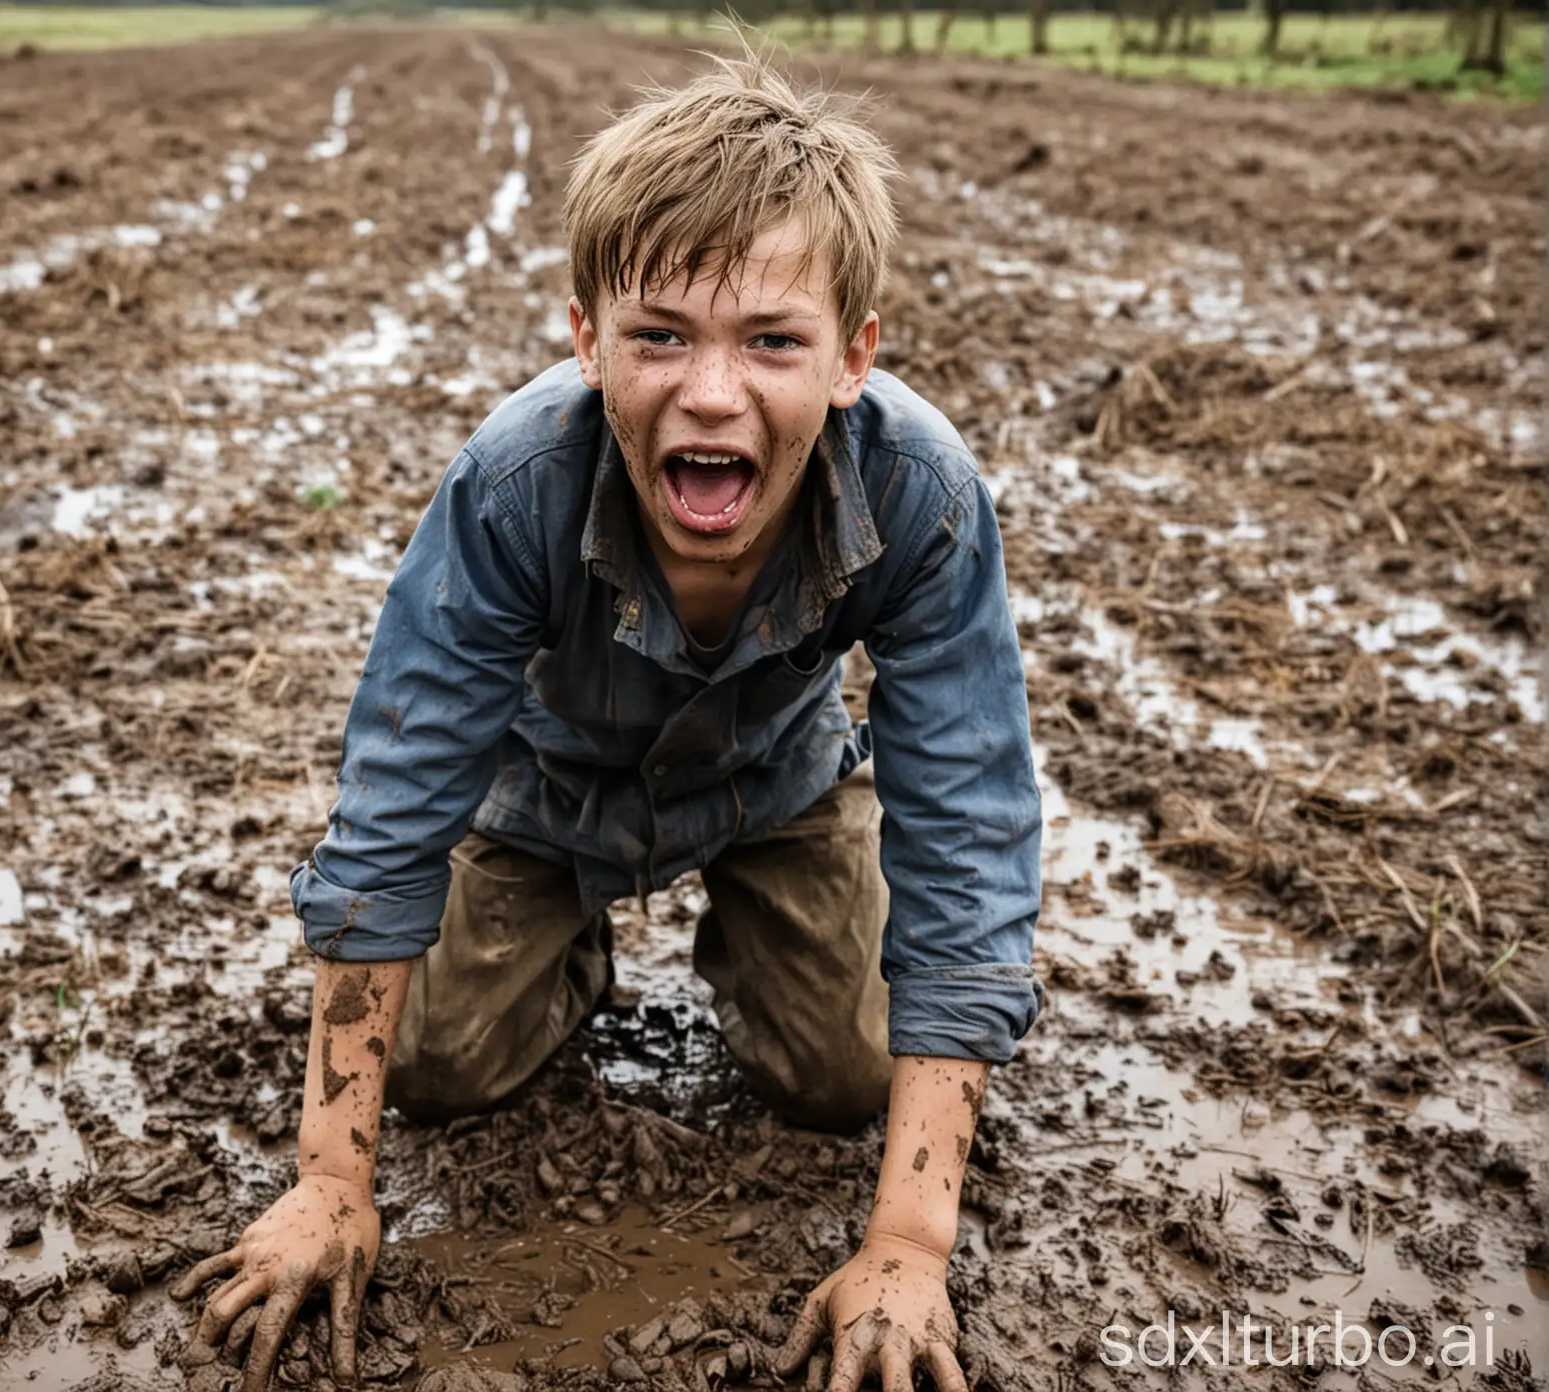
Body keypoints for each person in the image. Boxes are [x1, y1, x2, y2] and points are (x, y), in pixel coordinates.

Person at [170, 50, 1042, 1392]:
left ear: (853, 357)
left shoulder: (922, 497)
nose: (709, 393)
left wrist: (909, 1242)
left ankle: (760, 940)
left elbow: (969, 822)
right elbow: (396, 800)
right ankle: (567, 953)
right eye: (660, 335)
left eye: (772, 341)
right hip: (548, 793)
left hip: (780, 781)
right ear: (586, 341)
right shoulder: (514, 484)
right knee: (444, 1064)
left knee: (843, 1076)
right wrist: (333, 1185)